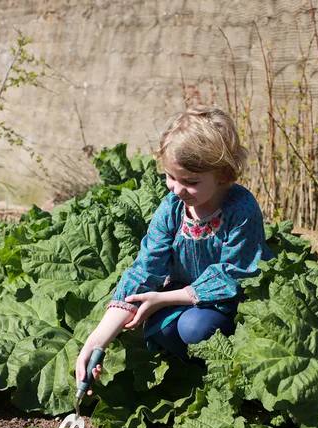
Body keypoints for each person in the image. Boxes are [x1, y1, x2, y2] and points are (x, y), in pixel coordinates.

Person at [76, 105, 272, 393]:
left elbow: (233, 275)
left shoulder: (241, 208)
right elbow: (146, 268)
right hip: (179, 295)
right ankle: (195, 375)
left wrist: (165, 299)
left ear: (223, 174)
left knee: (194, 329)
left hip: (233, 301)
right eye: (170, 176)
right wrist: (96, 341)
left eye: (190, 182)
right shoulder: (172, 207)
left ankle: (231, 377)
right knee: (162, 327)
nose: (176, 189)